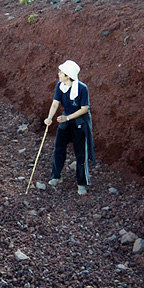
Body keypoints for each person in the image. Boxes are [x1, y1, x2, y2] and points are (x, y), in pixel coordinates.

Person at [44, 60, 96, 195]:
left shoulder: (82, 88)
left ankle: (82, 183)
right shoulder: (60, 86)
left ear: (68, 75)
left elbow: (84, 109)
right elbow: (55, 103)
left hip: (79, 123)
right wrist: (49, 117)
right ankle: (56, 176)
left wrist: (67, 118)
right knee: (58, 148)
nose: (59, 74)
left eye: (61, 72)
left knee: (80, 154)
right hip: (65, 120)